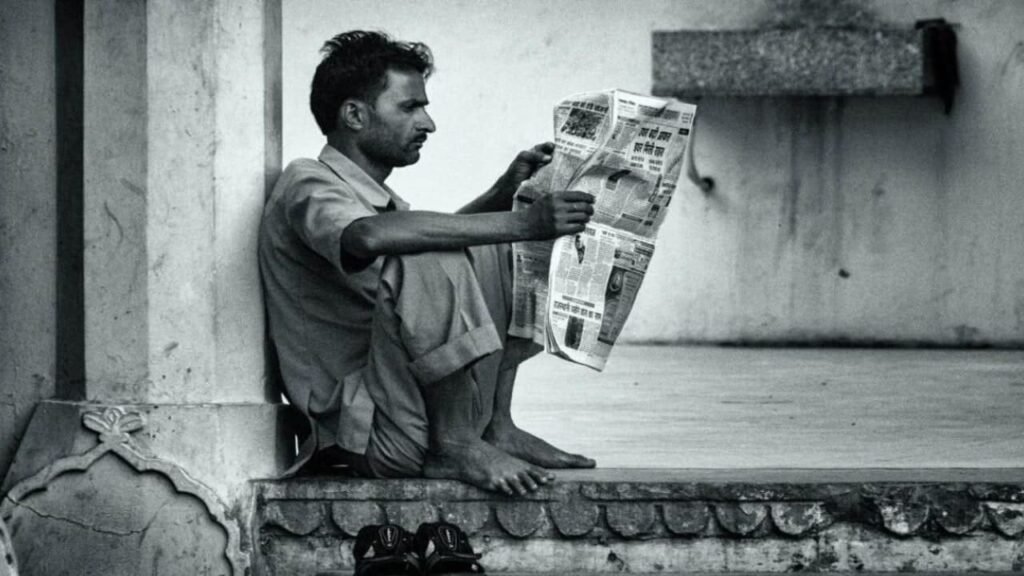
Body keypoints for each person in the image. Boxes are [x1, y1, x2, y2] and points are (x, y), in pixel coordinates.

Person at [258, 30, 597, 496]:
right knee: (436, 242)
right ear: (354, 114)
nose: (428, 123)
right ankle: (454, 442)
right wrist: (526, 223)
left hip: (408, 407)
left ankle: (497, 425)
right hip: (370, 429)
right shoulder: (307, 180)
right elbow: (373, 238)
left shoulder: (380, 201)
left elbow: (435, 258)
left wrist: (505, 195)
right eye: (409, 107)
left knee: (495, 245)